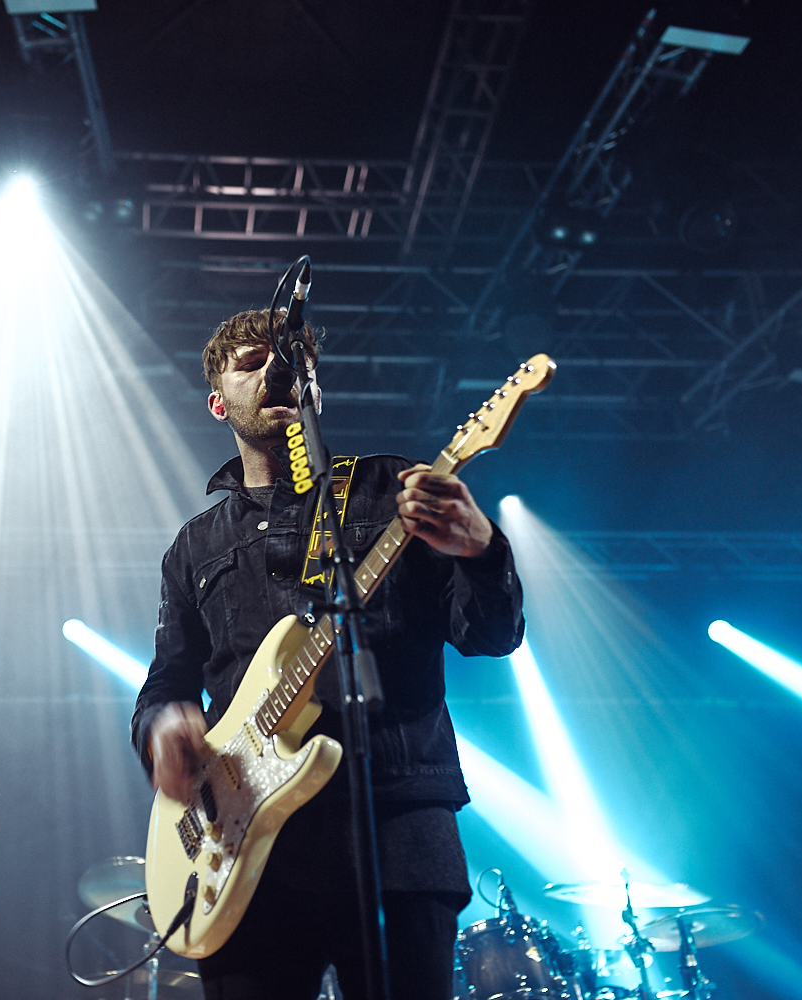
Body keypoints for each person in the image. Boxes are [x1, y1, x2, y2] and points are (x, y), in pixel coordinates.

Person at [131, 308, 525, 1000]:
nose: (276, 372)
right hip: (243, 851)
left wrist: (483, 551)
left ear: (316, 391)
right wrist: (163, 731)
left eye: (292, 364)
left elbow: (489, 636)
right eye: (252, 363)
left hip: (395, 831)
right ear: (219, 401)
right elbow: (165, 686)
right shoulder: (194, 548)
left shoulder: (395, 491)